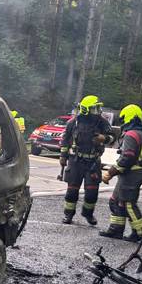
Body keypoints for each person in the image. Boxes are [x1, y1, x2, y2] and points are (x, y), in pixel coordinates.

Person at [99, 104, 142, 243]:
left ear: (128, 117)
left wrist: (110, 173)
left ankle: (141, 233)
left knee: (128, 203)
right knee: (116, 201)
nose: (121, 121)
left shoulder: (131, 135)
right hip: (134, 172)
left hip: (132, 174)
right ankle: (116, 230)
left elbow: (127, 157)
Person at [59, 95, 113, 225]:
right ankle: (68, 215)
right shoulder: (73, 122)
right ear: (86, 109)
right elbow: (65, 140)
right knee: (72, 191)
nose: (98, 110)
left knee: (91, 192)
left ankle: (88, 214)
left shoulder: (102, 122)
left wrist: (104, 138)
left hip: (93, 162)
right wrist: (63, 156)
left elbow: (112, 137)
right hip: (76, 161)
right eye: (95, 108)